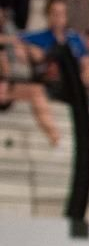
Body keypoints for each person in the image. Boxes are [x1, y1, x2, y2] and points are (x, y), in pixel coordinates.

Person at [0, 8, 61, 146]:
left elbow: (33, 55)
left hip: (10, 84)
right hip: (6, 80)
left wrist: (25, 49)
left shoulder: (9, 28)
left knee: (36, 90)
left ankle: (55, 140)